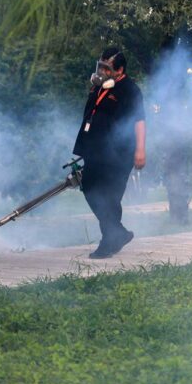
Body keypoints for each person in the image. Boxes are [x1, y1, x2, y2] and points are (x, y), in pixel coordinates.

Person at [73, 47, 146, 259]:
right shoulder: (99, 87)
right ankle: (118, 233)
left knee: (109, 196)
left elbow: (139, 120)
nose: (102, 71)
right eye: (101, 66)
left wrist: (140, 149)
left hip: (118, 153)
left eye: (107, 67)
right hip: (95, 150)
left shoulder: (130, 89)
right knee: (89, 188)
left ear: (120, 69)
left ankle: (109, 241)